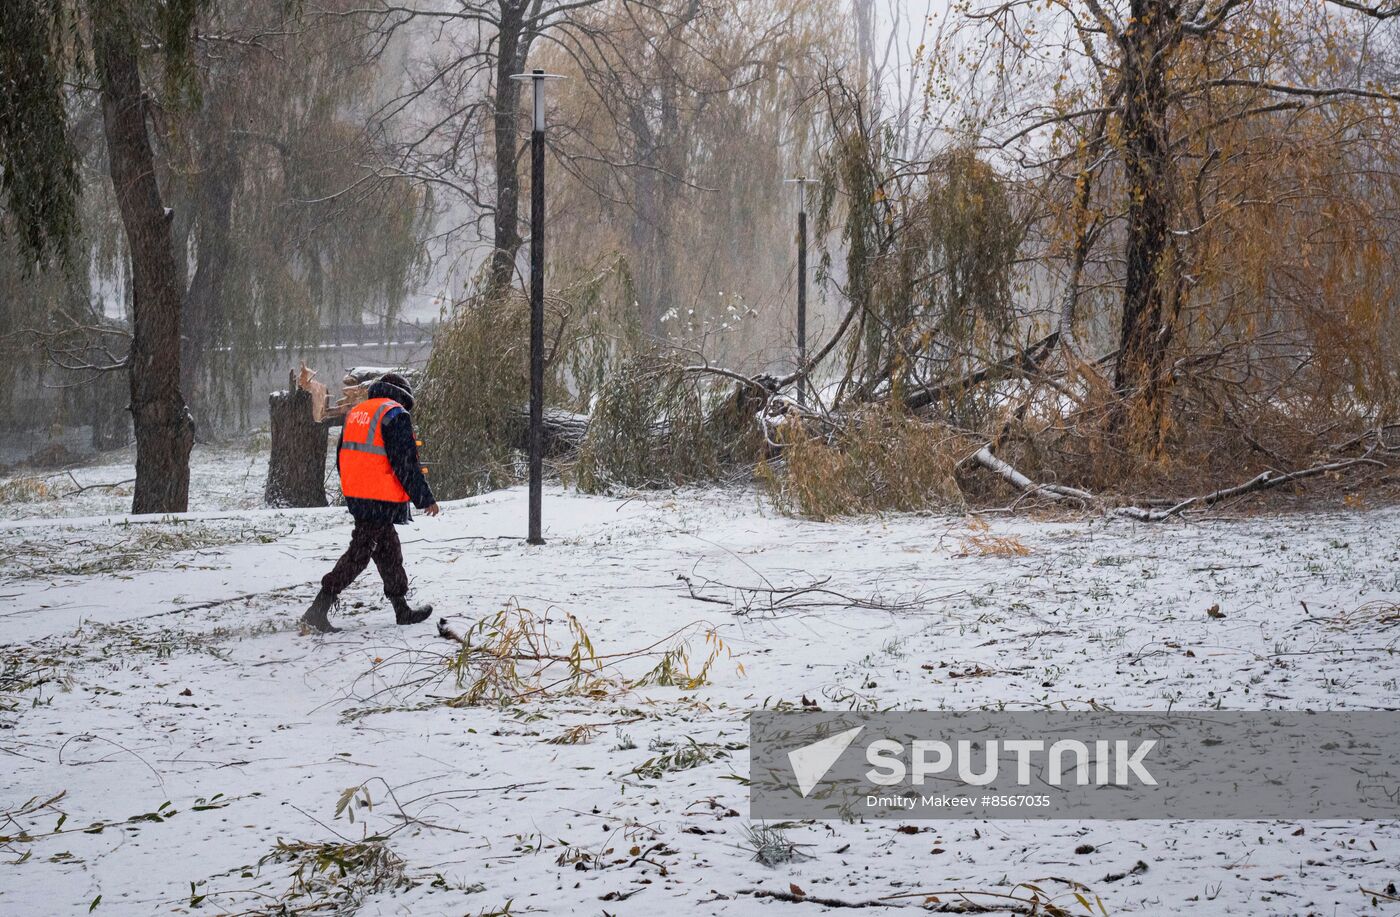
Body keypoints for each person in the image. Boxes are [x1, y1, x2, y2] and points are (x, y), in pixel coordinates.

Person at [301, 372, 440, 633]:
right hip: (379, 495)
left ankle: (402, 609)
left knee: (388, 550)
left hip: (359, 495)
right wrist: (424, 499)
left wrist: (353, 489)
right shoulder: (394, 414)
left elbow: (342, 456)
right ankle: (317, 609)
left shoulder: (357, 412)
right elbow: (405, 462)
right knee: (359, 554)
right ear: (403, 396)